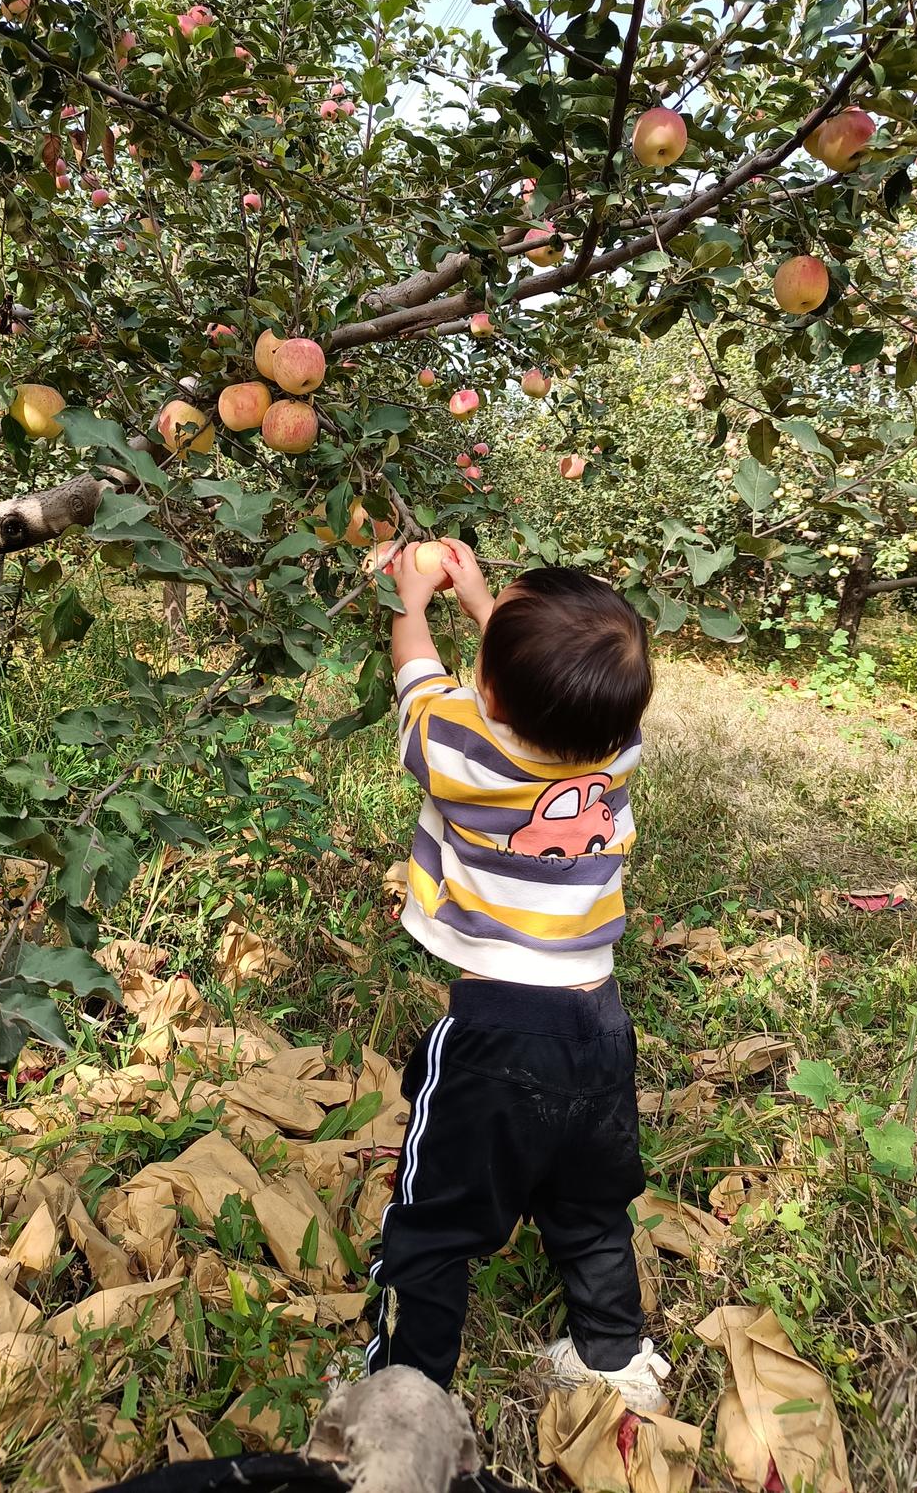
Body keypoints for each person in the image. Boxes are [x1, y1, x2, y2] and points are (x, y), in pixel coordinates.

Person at [365, 538, 670, 1414]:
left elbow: (417, 672)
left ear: (489, 691)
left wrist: (415, 599)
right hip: (600, 1023)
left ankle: (406, 1399)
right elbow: (543, 679)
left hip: (497, 1031)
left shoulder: (456, 749)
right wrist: (484, 599)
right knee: (591, 1203)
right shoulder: (616, 753)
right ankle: (613, 1360)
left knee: (434, 1224)